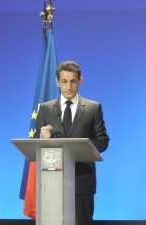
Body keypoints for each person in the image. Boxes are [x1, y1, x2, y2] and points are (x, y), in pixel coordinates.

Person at [33, 60, 109, 225]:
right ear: (57, 82)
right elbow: (35, 145)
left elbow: (103, 141)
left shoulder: (92, 108)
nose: (68, 87)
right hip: (52, 181)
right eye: (64, 81)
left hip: (82, 182)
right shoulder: (45, 109)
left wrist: (82, 146)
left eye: (73, 81)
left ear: (80, 81)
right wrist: (42, 137)